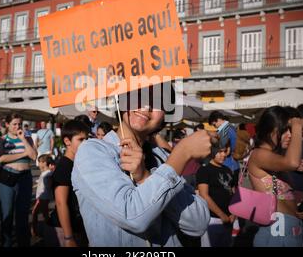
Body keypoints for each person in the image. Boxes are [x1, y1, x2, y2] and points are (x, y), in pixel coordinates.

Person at [72, 83, 211, 246]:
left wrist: (146, 177)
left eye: (159, 101)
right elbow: (132, 217)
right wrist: (182, 154)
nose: (146, 106)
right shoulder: (92, 152)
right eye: (139, 94)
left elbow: (198, 223)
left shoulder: (163, 157)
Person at [248, 106, 303, 247]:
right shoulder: (258, 154)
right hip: (276, 234)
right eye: (286, 130)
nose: (290, 135)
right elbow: (292, 162)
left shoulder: (275, 159)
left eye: (291, 130)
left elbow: (282, 198)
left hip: (289, 232)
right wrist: (297, 126)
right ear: (272, 129)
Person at [0, 113, 37, 247]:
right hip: (7, 177)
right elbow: (2, 158)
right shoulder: (2, 139)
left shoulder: (27, 138)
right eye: (14, 124)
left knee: (22, 215)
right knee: (7, 215)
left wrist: (23, 139)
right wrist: (24, 153)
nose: (17, 126)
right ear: (7, 125)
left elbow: (33, 156)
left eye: (19, 124)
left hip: (25, 177)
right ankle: (6, 244)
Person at [53, 120, 89, 247]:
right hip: (66, 229)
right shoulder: (64, 166)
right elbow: (60, 202)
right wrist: (68, 237)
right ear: (67, 141)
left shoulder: (78, 163)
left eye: (86, 139)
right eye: (81, 139)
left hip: (78, 226)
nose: (85, 143)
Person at [197, 140, 235, 247]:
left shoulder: (228, 170)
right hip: (212, 219)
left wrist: (234, 213)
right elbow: (204, 195)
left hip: (229, 219)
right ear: (212, 152)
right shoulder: (204, 170)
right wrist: (221, 215)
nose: (223, 155)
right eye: (219, 152)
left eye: (224, 152)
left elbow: (233, 192)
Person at [208, 111, 239, 180]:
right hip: (234, 164)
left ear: (218, 120)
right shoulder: (231, 127)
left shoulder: (224, 129)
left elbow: (222, 148)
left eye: (214, 124)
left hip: (227, 166)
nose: (215, 127)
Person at [31, 154, 54, 237]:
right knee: (44, 214)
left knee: (37, 213)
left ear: (45, 163)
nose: (39, 164)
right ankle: (48, 230)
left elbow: (51, 182)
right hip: (41, 197)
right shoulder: (44, 173)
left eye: (40, 162)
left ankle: (38, 231)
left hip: (43, 197)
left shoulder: (48, 174)